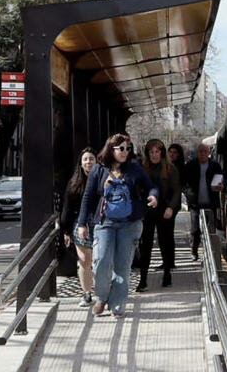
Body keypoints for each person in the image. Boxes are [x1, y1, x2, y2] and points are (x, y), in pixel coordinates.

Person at [76, 133, 159, 318]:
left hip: (129, 224)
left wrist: (153, 196)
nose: (125, 152)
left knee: (123, 266)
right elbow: (88, 197)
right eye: (121, 148)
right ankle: (102, 297)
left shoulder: (134, 168)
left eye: (127, 149)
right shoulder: (99, 169)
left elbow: (151, 186)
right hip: (105, 223)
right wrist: (82, 223)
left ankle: (118, 303)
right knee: (102, 262)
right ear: (111, 149)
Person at [136, 139, 181, 291]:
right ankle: (143, 279)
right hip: (148, 210)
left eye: (157, 152)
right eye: (151, 152)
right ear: (148, 154)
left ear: (162, 153)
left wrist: (171, 208)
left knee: (165, 242)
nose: (154, 155)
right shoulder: (143, 168)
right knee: (145, 244)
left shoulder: (170, 168)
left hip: (164, 209)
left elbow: (176, 191)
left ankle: (167, 274)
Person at [61, 148, 97, 307]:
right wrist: (66, 230)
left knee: (101, 260)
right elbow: (67, 208)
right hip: (80, 225)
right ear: (81, 163)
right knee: (84, 260)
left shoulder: (103, 179)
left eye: (91, 159)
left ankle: (103, 292)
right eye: (85, 159)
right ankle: (87, 293)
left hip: (101, 223)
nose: (89, 162)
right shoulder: (74, 183)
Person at [185, 142, 224, 260]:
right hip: (195, 203)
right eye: (200, 152)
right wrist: (188, 193)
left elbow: (222, 179)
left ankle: (210, 252)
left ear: (209, 153)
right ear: (197, 153)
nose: (202, 154)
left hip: (211, 202)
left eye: (205, 152)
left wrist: (221, 186)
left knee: (210, 229)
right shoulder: (191, 165)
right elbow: (184, 182)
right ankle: (194, 251)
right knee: (195, 229)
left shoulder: (215, 166)